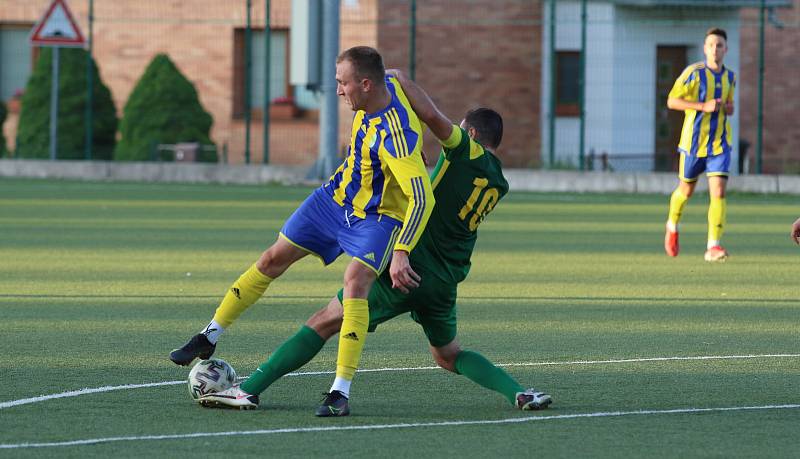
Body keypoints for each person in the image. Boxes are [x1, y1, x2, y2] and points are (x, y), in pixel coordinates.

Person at [197, 70, 552, 416]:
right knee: (447, 355)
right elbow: (440, 190)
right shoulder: (497, 181)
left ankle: (247, 390)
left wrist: (396, 77)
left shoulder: (466, 152)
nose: (454, 133)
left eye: (461, 129)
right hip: (445, 281)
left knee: (323, 322)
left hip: (408, 268)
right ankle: (518, 392)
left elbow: (429, 115)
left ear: (471, 133)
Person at [169, 47, 435, 408]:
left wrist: (401, 250)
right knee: (270, 260)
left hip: (376, 217)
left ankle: (340, 390)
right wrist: (436, 120)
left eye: (343, 83)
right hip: (333, 199)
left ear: (366, 84)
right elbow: (400, 75)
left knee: (355, 284)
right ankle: (209, 335)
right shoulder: (386, 81)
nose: (338, 90)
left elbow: (423, 198)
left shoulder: (397, 138)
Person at [664, 27, 736, 262]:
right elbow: (672, 101)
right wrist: (702, 106)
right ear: (705, 48)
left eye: (720, 45)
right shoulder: (693, 73)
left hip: (720, 144)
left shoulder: (730, 77)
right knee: (686, 190)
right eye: (711, 45)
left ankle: (713, 245)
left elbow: (729, 105)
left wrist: (728, 108)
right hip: (693, 145)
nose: (715, 49)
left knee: (719, 191)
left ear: (726, 49)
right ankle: (672, 224)